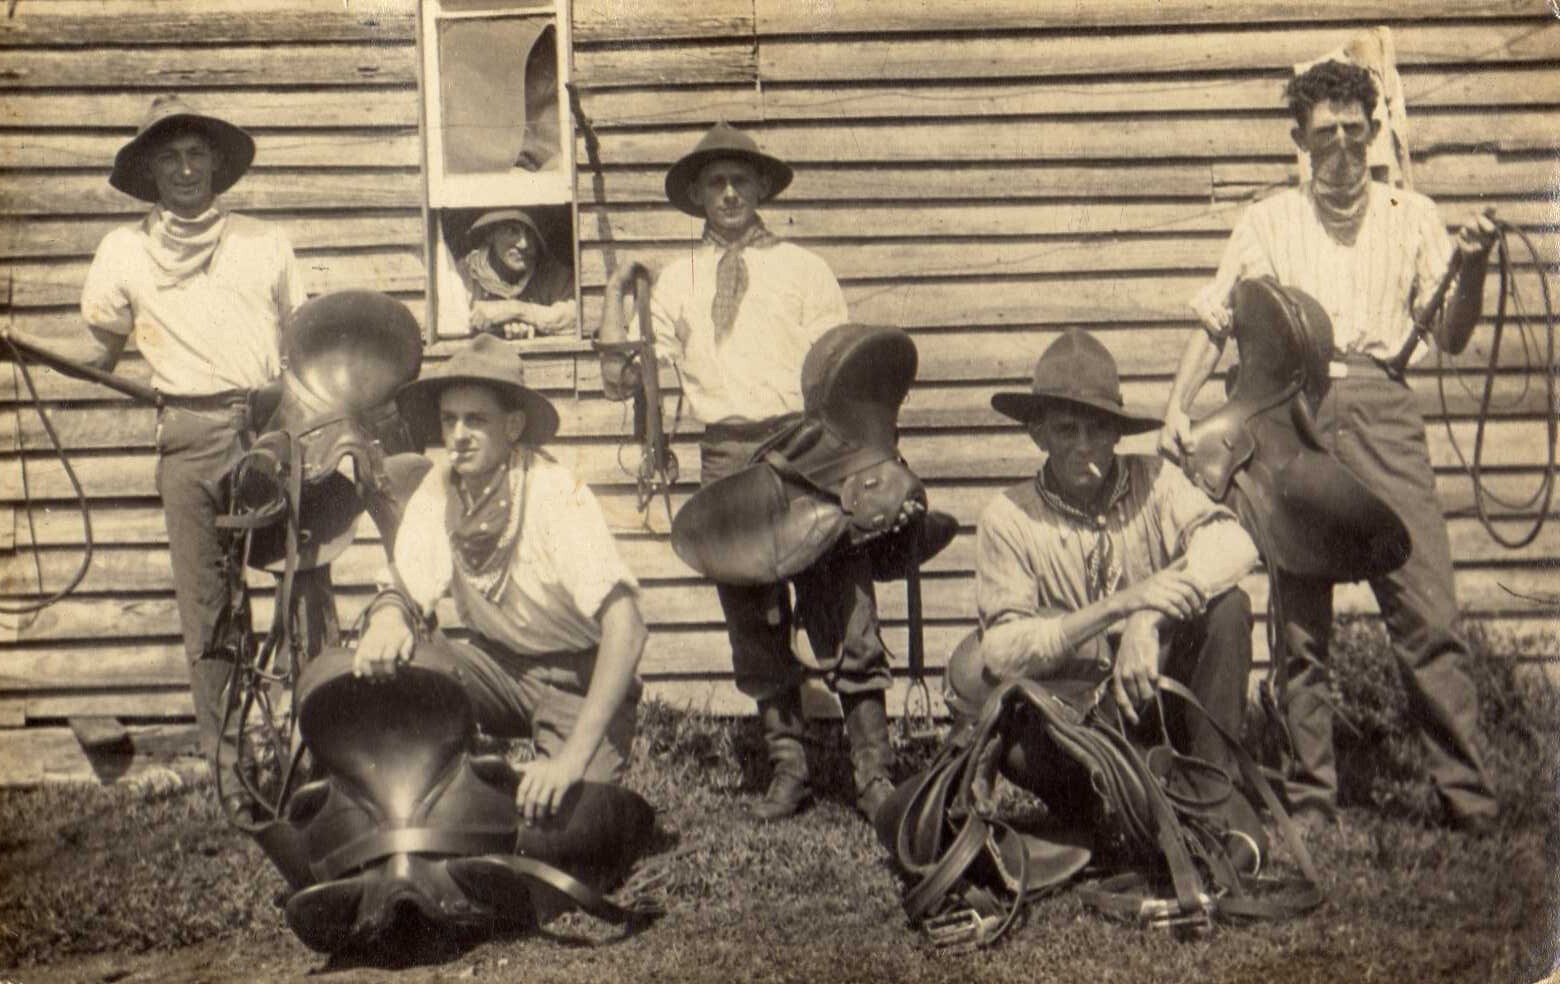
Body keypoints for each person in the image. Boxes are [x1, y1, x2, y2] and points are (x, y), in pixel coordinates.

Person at [1159, 60, 1499, 833]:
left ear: (1376, 132)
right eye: (1326, 139)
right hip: (1292, 412)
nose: (1344, 152)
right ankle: (1311, 800)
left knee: (1426, 612)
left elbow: (1452, 334)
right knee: (1300, 622)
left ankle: (1468, 798)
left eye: (1356, 134)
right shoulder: (1269, 222)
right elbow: (1216, 323)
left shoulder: (1414, 215)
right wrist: (1176, 407)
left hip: (1384, 405)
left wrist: (1471, 267)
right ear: (1299, 144)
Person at [594, 123, 898, 822]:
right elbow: (621, 377)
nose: (728, 193)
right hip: (726, 455)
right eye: (714, 182)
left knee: (842, 603)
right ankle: (787, 768)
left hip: (807, 445)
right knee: (753, 620)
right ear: (698, 195)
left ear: (762, 187)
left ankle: (874, 771)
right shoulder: (675, 281)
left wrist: (852, 457)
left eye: (740, 180)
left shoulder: (805, 269)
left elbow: (839, 368)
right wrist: (617, 294)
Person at [4, 94, 306, 797]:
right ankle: (235, 773)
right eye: (167, 157)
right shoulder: (123, 252)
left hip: (267, 431)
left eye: (195, 154)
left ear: (217, 164)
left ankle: (307, 751)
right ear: (148, 170)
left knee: (298, 589)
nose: (184, 169)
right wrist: (23, 350)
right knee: (207, 609)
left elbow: (303, 343)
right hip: (186, 438)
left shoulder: (266, 244)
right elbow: (99, 350)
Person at [974, 328, 1265, 856]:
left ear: (1117, 434)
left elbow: (1236, 543)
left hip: (1161, 693)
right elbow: (1000, 650)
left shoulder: (1155, 481)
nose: (1085, 446)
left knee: (1229, 607)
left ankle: (1209, 790)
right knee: (1018, 743)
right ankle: (1123, 812)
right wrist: (1118, 605)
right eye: (1067, 429)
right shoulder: (1008, 517)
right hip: (1077, 723)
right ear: (1038, 434)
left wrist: (1146, 617)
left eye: (1099, 428)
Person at [354, 334, 647, 820]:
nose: (459, 435)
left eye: (477, 420)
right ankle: (445, 780)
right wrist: (387, 618)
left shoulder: (557, 493)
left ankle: (550, 765)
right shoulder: (442, 483)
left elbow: (628, 627)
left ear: (513, 426)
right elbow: (405, 583)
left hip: (575, 677)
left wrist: (571, 761)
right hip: (495, 669)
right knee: (405, 659)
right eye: (450, 420)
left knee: (569, 819)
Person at [455, 208, 576, 340]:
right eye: (512, 231)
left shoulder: (552, 273)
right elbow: (452, 321)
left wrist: (515, 310)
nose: (524, 244)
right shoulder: (463, 273)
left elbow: (576, 316)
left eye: (531, 232)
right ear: (490, 234)